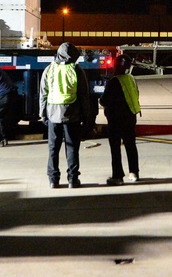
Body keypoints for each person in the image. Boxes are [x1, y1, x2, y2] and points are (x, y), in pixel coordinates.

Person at [39, 42, 92, 188]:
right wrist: (86, 115)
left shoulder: (49, 69)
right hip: (72, 114)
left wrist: (42, 114)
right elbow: (83, 96)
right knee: (72, 148)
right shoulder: (77, 70)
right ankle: (73, 179)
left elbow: (43, 94)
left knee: (53, 148)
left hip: (53, 115)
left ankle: (53, 180)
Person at [100, 55, 141, 185]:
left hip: (116, 119)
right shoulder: (131, 79)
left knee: (115, 148)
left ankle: (117, 176)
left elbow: (104, 100)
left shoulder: (114, 81)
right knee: (131, 145)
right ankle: (134, 172)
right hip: (130, 116)